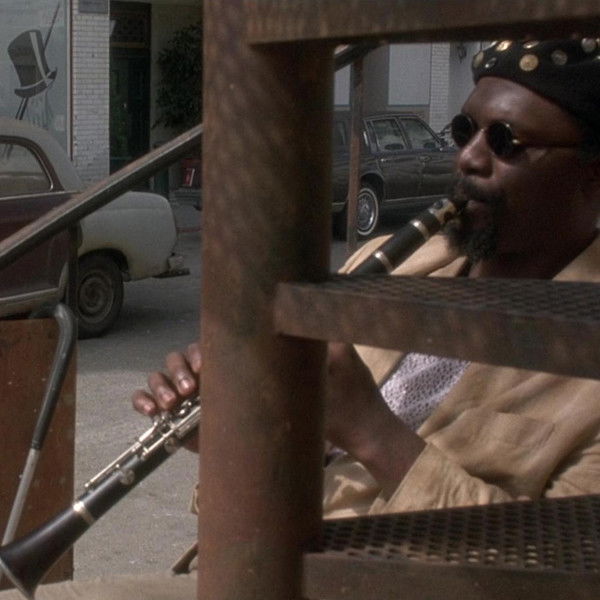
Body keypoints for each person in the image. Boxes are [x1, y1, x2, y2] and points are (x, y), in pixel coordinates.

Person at [2, 36, 600, 599]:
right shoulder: (396, 264)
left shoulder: (586, 348)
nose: (469, 159)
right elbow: (281, 477)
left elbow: (555, 578)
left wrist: (371, 430)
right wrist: (238, 434)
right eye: (465, 131)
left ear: (592, 178)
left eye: (506, 142)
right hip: (258, 569)